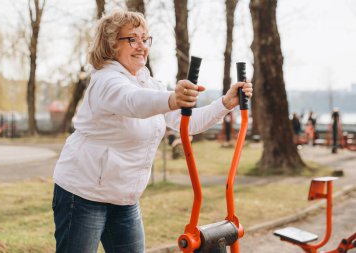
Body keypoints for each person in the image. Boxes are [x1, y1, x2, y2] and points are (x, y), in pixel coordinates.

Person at [52, 10, 253, 253]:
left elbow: (188, 122)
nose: (141, 46)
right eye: (132, 39)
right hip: (83, 195)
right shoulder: (105, 81)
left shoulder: (149, 83)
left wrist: (225, 103)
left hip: (125, 199)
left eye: (145, 39)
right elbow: (133, 102)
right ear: (112, 44)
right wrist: (171, 98)